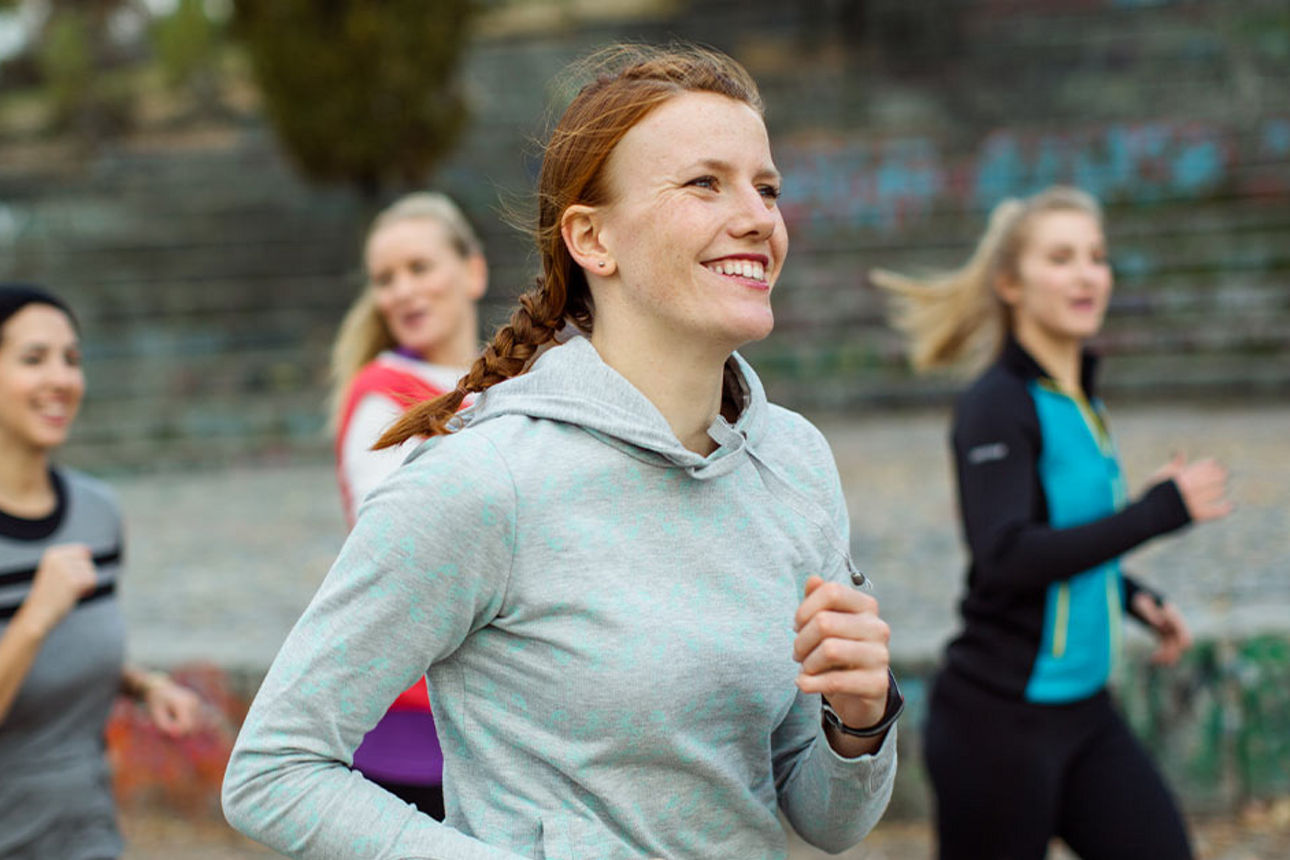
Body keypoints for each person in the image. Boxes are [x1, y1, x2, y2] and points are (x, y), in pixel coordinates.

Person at [223, 43, 901, 859]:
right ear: (592, 238)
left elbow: (828, 820)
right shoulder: (485, 479)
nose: (758, 216)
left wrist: (858, 723)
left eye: (767, 187)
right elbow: (272, 770)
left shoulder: (796, 462)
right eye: (703, 182)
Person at [872, 186, 1232, 860]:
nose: (1087, 274)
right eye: (1061, 258)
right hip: (999, 723)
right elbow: (1006, 555)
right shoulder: (995, 406)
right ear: (1010, 283)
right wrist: (1159, 511)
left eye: (1096, 257)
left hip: (1087, 715)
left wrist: (1133, 598)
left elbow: (1063, 538)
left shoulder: (1078, 396)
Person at [0, 283, 203, 859]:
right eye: (34, 359)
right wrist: (36, 614)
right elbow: (41, 627)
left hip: (87, 838)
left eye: (72, 359)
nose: (61, 378)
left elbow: (74, 645)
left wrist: (145, 684)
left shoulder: (97, 513)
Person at [328, 191, 488, 818]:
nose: (401, 291)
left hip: (501, 711)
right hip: (409, 723)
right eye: (385, 279)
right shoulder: (382, 397)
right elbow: (401, 542)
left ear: (472, 271)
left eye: (419, 268)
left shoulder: (526, 381)